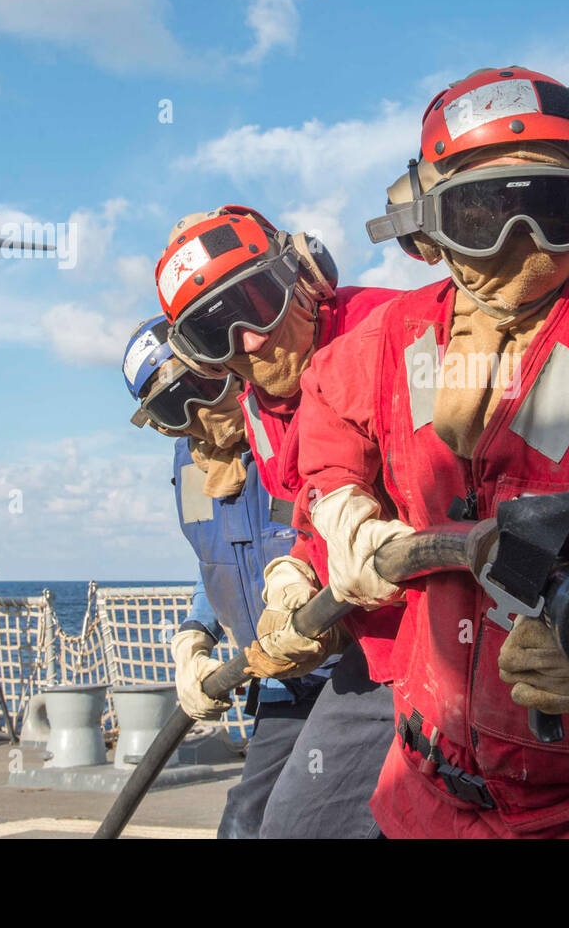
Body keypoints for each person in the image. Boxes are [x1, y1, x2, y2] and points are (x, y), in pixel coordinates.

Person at [290, 67, 569, 839]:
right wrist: (340, 512)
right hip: (437, 788)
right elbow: (326, 401)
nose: (518, 244)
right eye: (482, 214)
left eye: (547, 211)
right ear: (428, 226)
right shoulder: (396, 340)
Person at [153, 205, 402, 838]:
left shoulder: (395, 328)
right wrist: (291, 575)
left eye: (257, 303)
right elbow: (281, 540)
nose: (248, 341)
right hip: (371, 649)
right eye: (215, 336)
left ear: (306, 276)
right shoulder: (259, 420)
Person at [123, 311, 345, 838]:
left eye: (204, 385)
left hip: (350, 670)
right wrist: (195, 636)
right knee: (246, 822)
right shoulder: (192, 468)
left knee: (323, 818)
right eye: (177, 406)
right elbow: (218, 562)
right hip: (278, 678)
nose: (201, 411)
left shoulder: (299, 427)